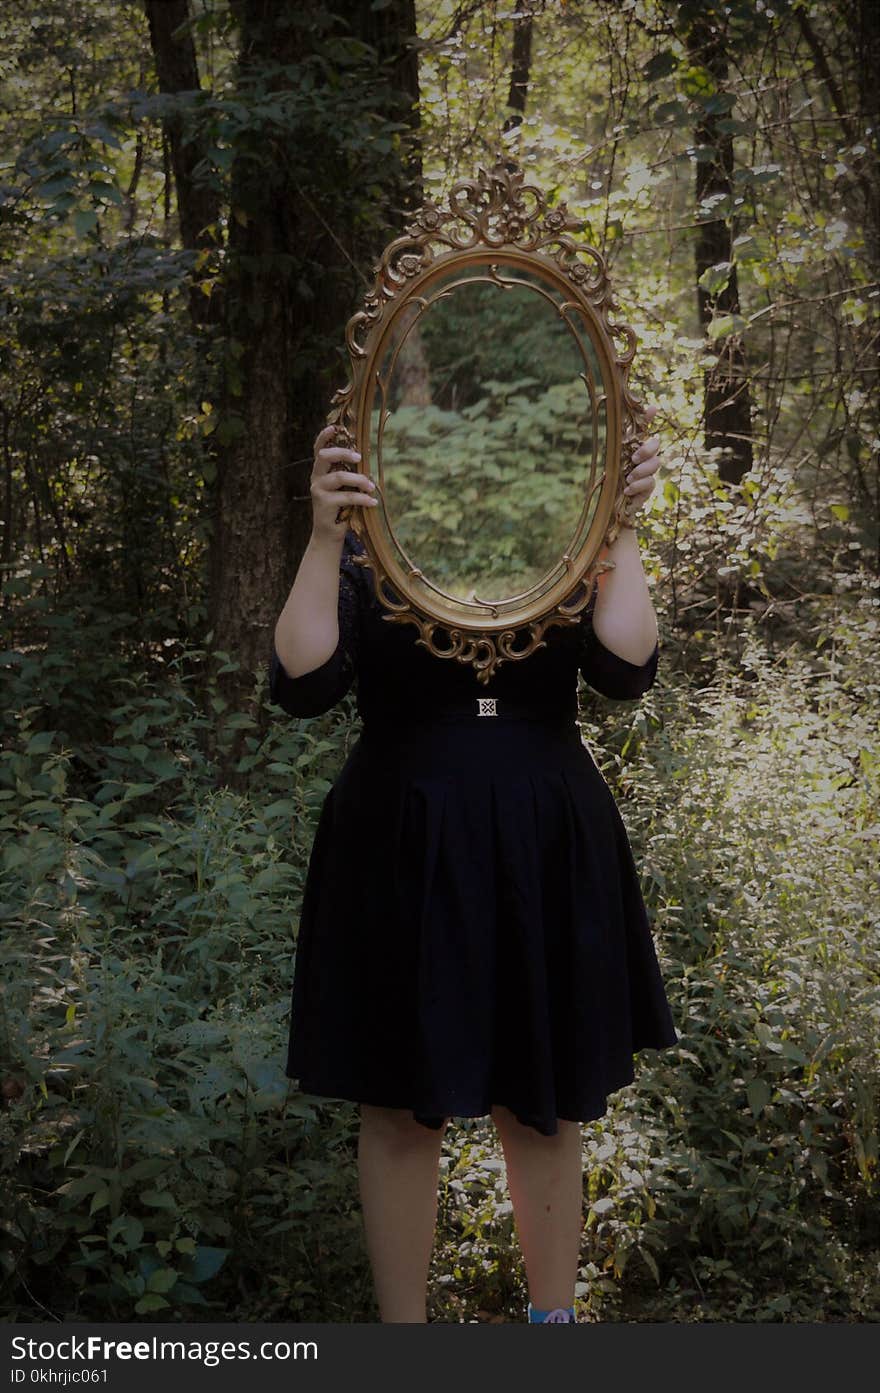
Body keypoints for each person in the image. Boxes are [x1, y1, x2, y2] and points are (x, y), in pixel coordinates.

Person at [268, 408, 678, 1324]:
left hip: (543, 823)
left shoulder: (567, 527)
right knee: (398, 1101)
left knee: (543, 1100)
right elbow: (303, 684)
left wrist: (625, 527)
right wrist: (321, 533)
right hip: (401, 826)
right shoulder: (368, 535)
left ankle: (551, 1327)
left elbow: (626, 667)